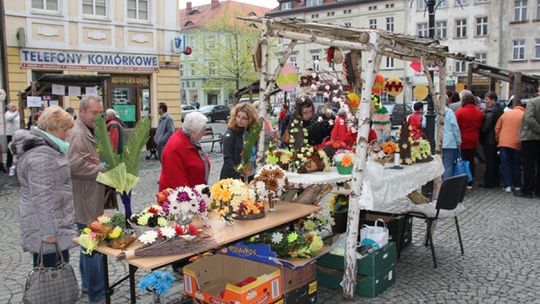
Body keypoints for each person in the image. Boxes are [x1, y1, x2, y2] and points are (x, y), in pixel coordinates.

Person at [9, 106, 77, 267]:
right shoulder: (42, 156)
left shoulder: (47, 150)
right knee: (50, 279)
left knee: (56, 273)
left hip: (55, 225)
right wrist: (49, 232)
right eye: (65, 129)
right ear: (53, 128)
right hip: (48, 232)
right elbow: (42, 197)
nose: (67, 134)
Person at [66, 95, 107, 304]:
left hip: (90, 198)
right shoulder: (77, 133)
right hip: (84, 200)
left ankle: (87, 286)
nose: (98, 117)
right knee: (93, 249)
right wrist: (101, 168)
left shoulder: (89, 130)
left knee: (87, 246)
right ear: (82, 112)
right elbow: (72, 166)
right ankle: (97, 293)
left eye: (100, 113)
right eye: (94, 113)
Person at [159, 112, 210, 191]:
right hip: (180, 199)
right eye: (202, 130)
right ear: (192, 131)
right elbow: (179, 184)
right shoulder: (175, 147)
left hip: (195, 193)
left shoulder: (190, 140)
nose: (204, 133)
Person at [220, 102, 259, 180]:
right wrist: (238, 176)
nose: (240, 120)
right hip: (233, 177)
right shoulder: (230, 134)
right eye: (238, 116)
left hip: (250, 175)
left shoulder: (251, 134)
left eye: (244, 118)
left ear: (250, 119)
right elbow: (228, 159)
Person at [495, 101, 525, 193]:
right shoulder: (524, 115)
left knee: (505, 165)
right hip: (517, 143)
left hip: (504, 143)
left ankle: (507, 186)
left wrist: (498, 139)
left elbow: (497, 128)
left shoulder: (506, 114)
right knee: (516, 164)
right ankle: (517, 185)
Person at [456, 93, 483, 189]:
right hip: (474, 139)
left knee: (462, 160)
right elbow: (480, 125)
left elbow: (457, 126)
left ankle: (463, 179)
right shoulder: (479, 112)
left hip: (462, 139)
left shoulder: (460, 112)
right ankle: (470, 181)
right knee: (471, 160)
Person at [515, 94, 540, 198]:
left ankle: (527, 190)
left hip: (530, 138)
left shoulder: (533, 102)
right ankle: (538, 190)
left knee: (528, 165)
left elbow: (529, 119)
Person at [479, 91, 503, 188]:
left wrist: (481, 132)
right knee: (494, 161)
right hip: (497, 139)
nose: (486, 102)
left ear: (493, 100)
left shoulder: (490, 111)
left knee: (490, 161)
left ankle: (489, 182)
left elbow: (486, 127)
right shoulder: (500, 110)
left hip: (489, 140)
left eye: (487, 100)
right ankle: (496, 181)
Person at [5, 103, 20, 170]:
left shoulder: (17, 114)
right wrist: (16, 112)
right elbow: (10, 119)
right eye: (13, 107)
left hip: (17, 133)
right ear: (9, 108)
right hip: (10, 134)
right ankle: (9, 164)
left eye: (14, 107)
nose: (14, 108)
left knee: (19, 148)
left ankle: (19, 163)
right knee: (10, 149)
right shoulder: (7, 114)